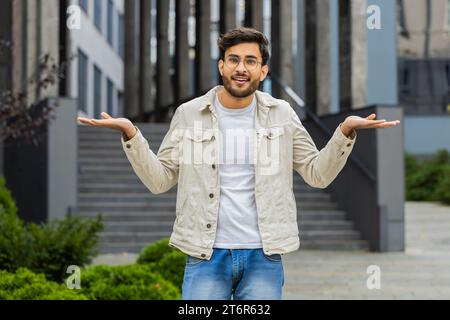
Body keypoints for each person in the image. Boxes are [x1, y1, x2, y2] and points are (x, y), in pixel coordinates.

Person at [78, 27, 400, 300]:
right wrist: (132, 135)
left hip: (264, 256)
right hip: (206, 255)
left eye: (250, 61)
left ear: (263, 71)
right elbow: (160, 180)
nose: (241, 68)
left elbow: (316, 174)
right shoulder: (189, 115)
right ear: (221, 66)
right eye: (233, 60)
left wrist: (344, 132)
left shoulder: (282, 115)